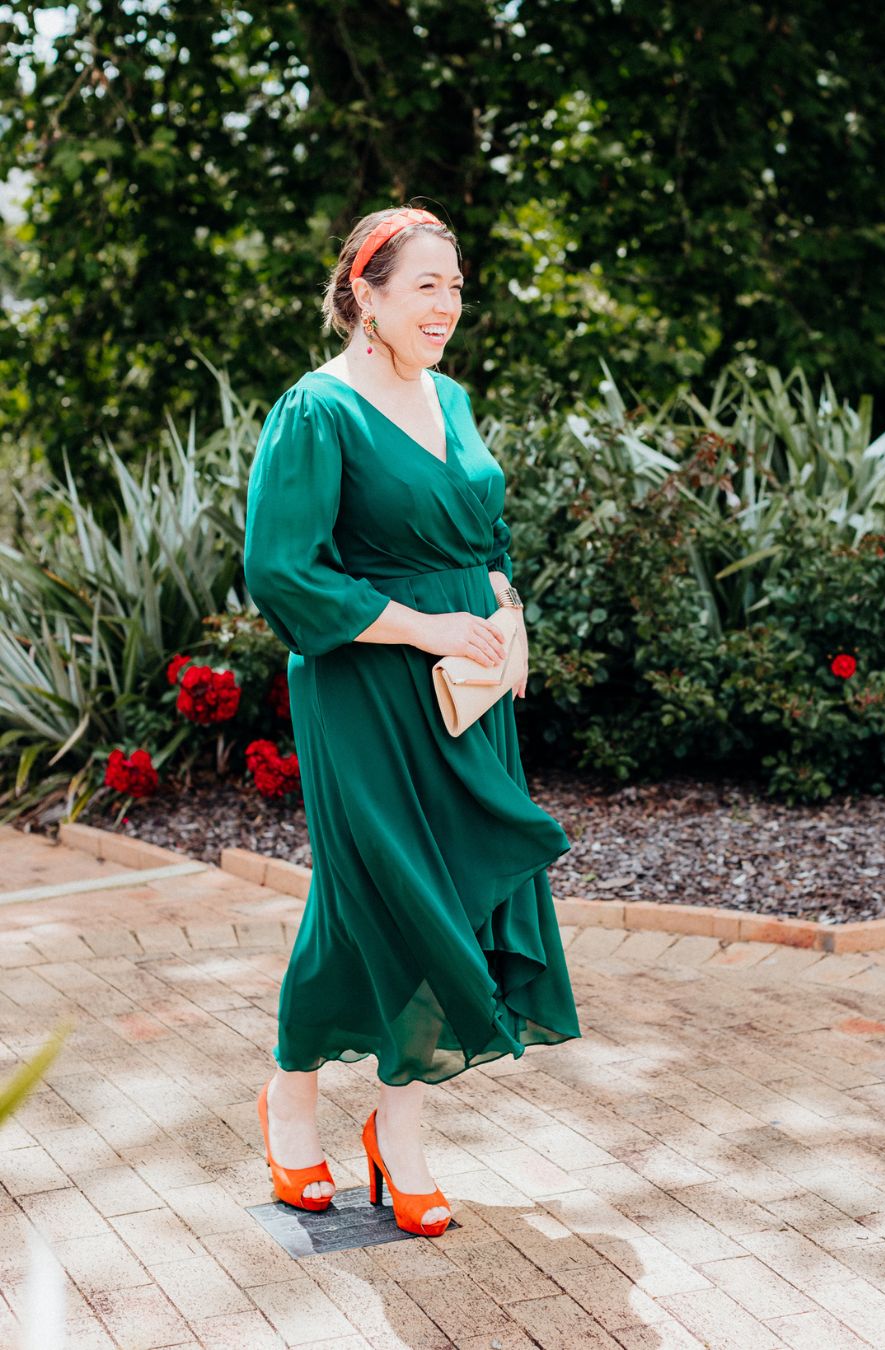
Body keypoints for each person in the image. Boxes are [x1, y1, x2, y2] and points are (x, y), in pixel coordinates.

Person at [244, 204, 581, 1238]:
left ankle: (398, 1131)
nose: (445, 306)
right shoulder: (317, 411)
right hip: (364, 686)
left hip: (464, 693)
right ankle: (295, 1104)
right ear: (365, 292)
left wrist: (507, 618)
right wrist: (427, 627)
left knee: (446, 896)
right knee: (380, 896)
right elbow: (281, 570)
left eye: (455, 288)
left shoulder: (454, 398)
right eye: (424, 286)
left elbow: (484, 534)